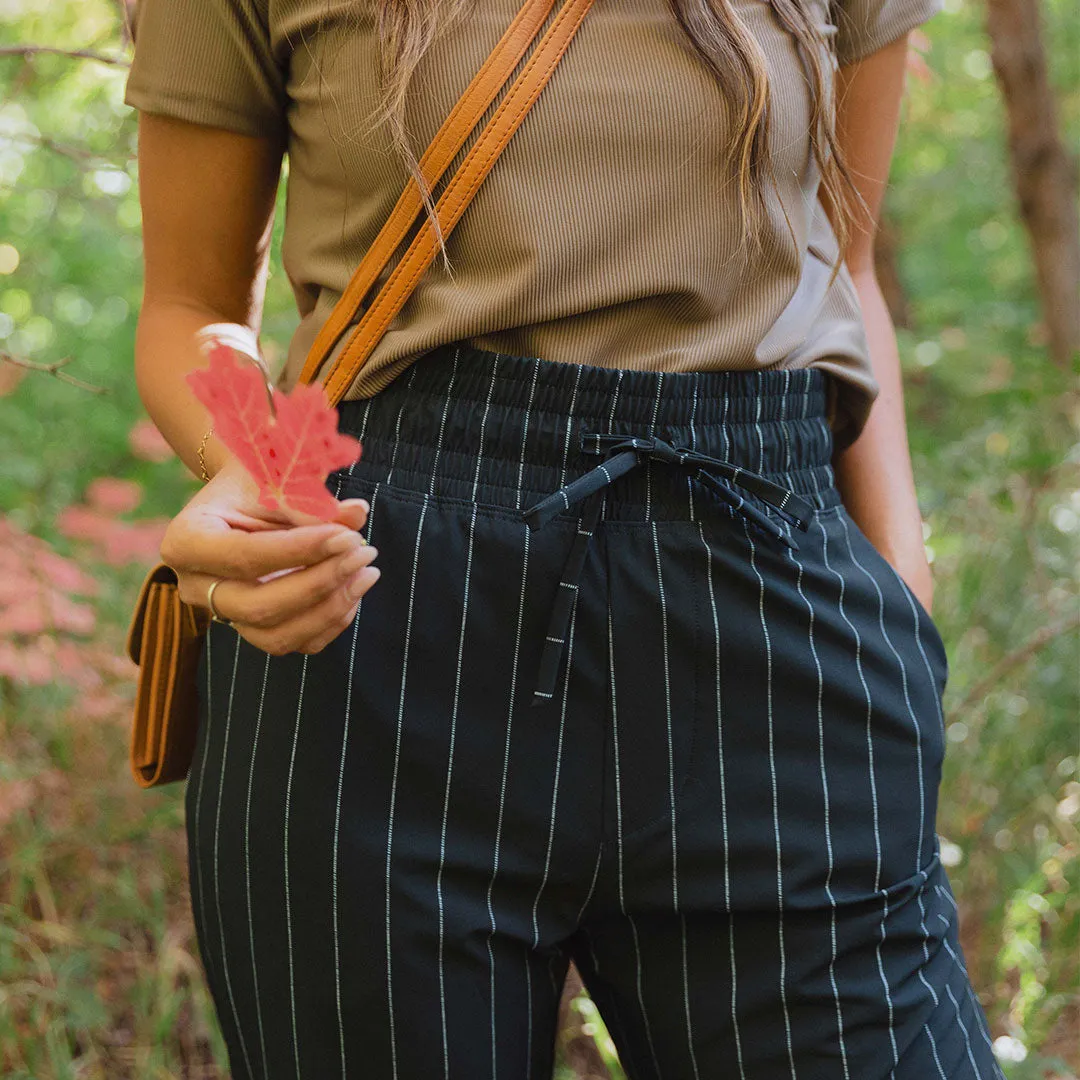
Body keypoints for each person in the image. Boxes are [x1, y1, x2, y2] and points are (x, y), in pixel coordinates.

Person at [123, 0, 1006, 1076]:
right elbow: (190, 300)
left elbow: (844, 264)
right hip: (366, 603)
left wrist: (899, 597)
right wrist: (253, 469)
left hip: (770, 587)